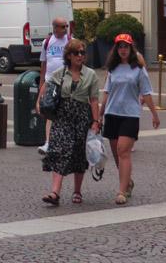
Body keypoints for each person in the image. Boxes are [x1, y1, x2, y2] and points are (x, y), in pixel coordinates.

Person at [40, 38, 104, 207]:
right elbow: (47, 88)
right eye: (76, 53)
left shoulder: (90, 74)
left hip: (82, 117)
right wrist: (40, 103)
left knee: (78, 155)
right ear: (68, 55)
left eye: (83, 52)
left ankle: (77, 190)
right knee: (59, 151)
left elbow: (94, 100)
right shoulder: (60, 73)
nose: (80, 56)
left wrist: (96, 121)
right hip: (62, 117)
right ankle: (55, 192)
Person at [101, 34, 159, 205]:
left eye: (126, 46)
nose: (123, 50)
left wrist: (155, 115)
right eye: (120, 47)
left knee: (123, 151)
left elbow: (147, 93)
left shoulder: (138, 69)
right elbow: (106, 91)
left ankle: (121, 191)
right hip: (112, 113)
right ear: (116, 49)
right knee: (117, 154)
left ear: (131, 48)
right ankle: (128, 182)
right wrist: (100, 113)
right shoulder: (112, 68)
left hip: (130, 115)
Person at [38, 16, 71, 154]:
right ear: (55, 27)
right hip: (50, 82)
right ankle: (48, 143)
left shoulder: (70, 41)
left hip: (66, 82)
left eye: (66, 26)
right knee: (50, 112)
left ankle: (65, 142)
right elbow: (44, 64)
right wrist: (41, 84)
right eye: (63, 26)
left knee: (65, 113)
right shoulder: (47, 42)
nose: (65, 29)